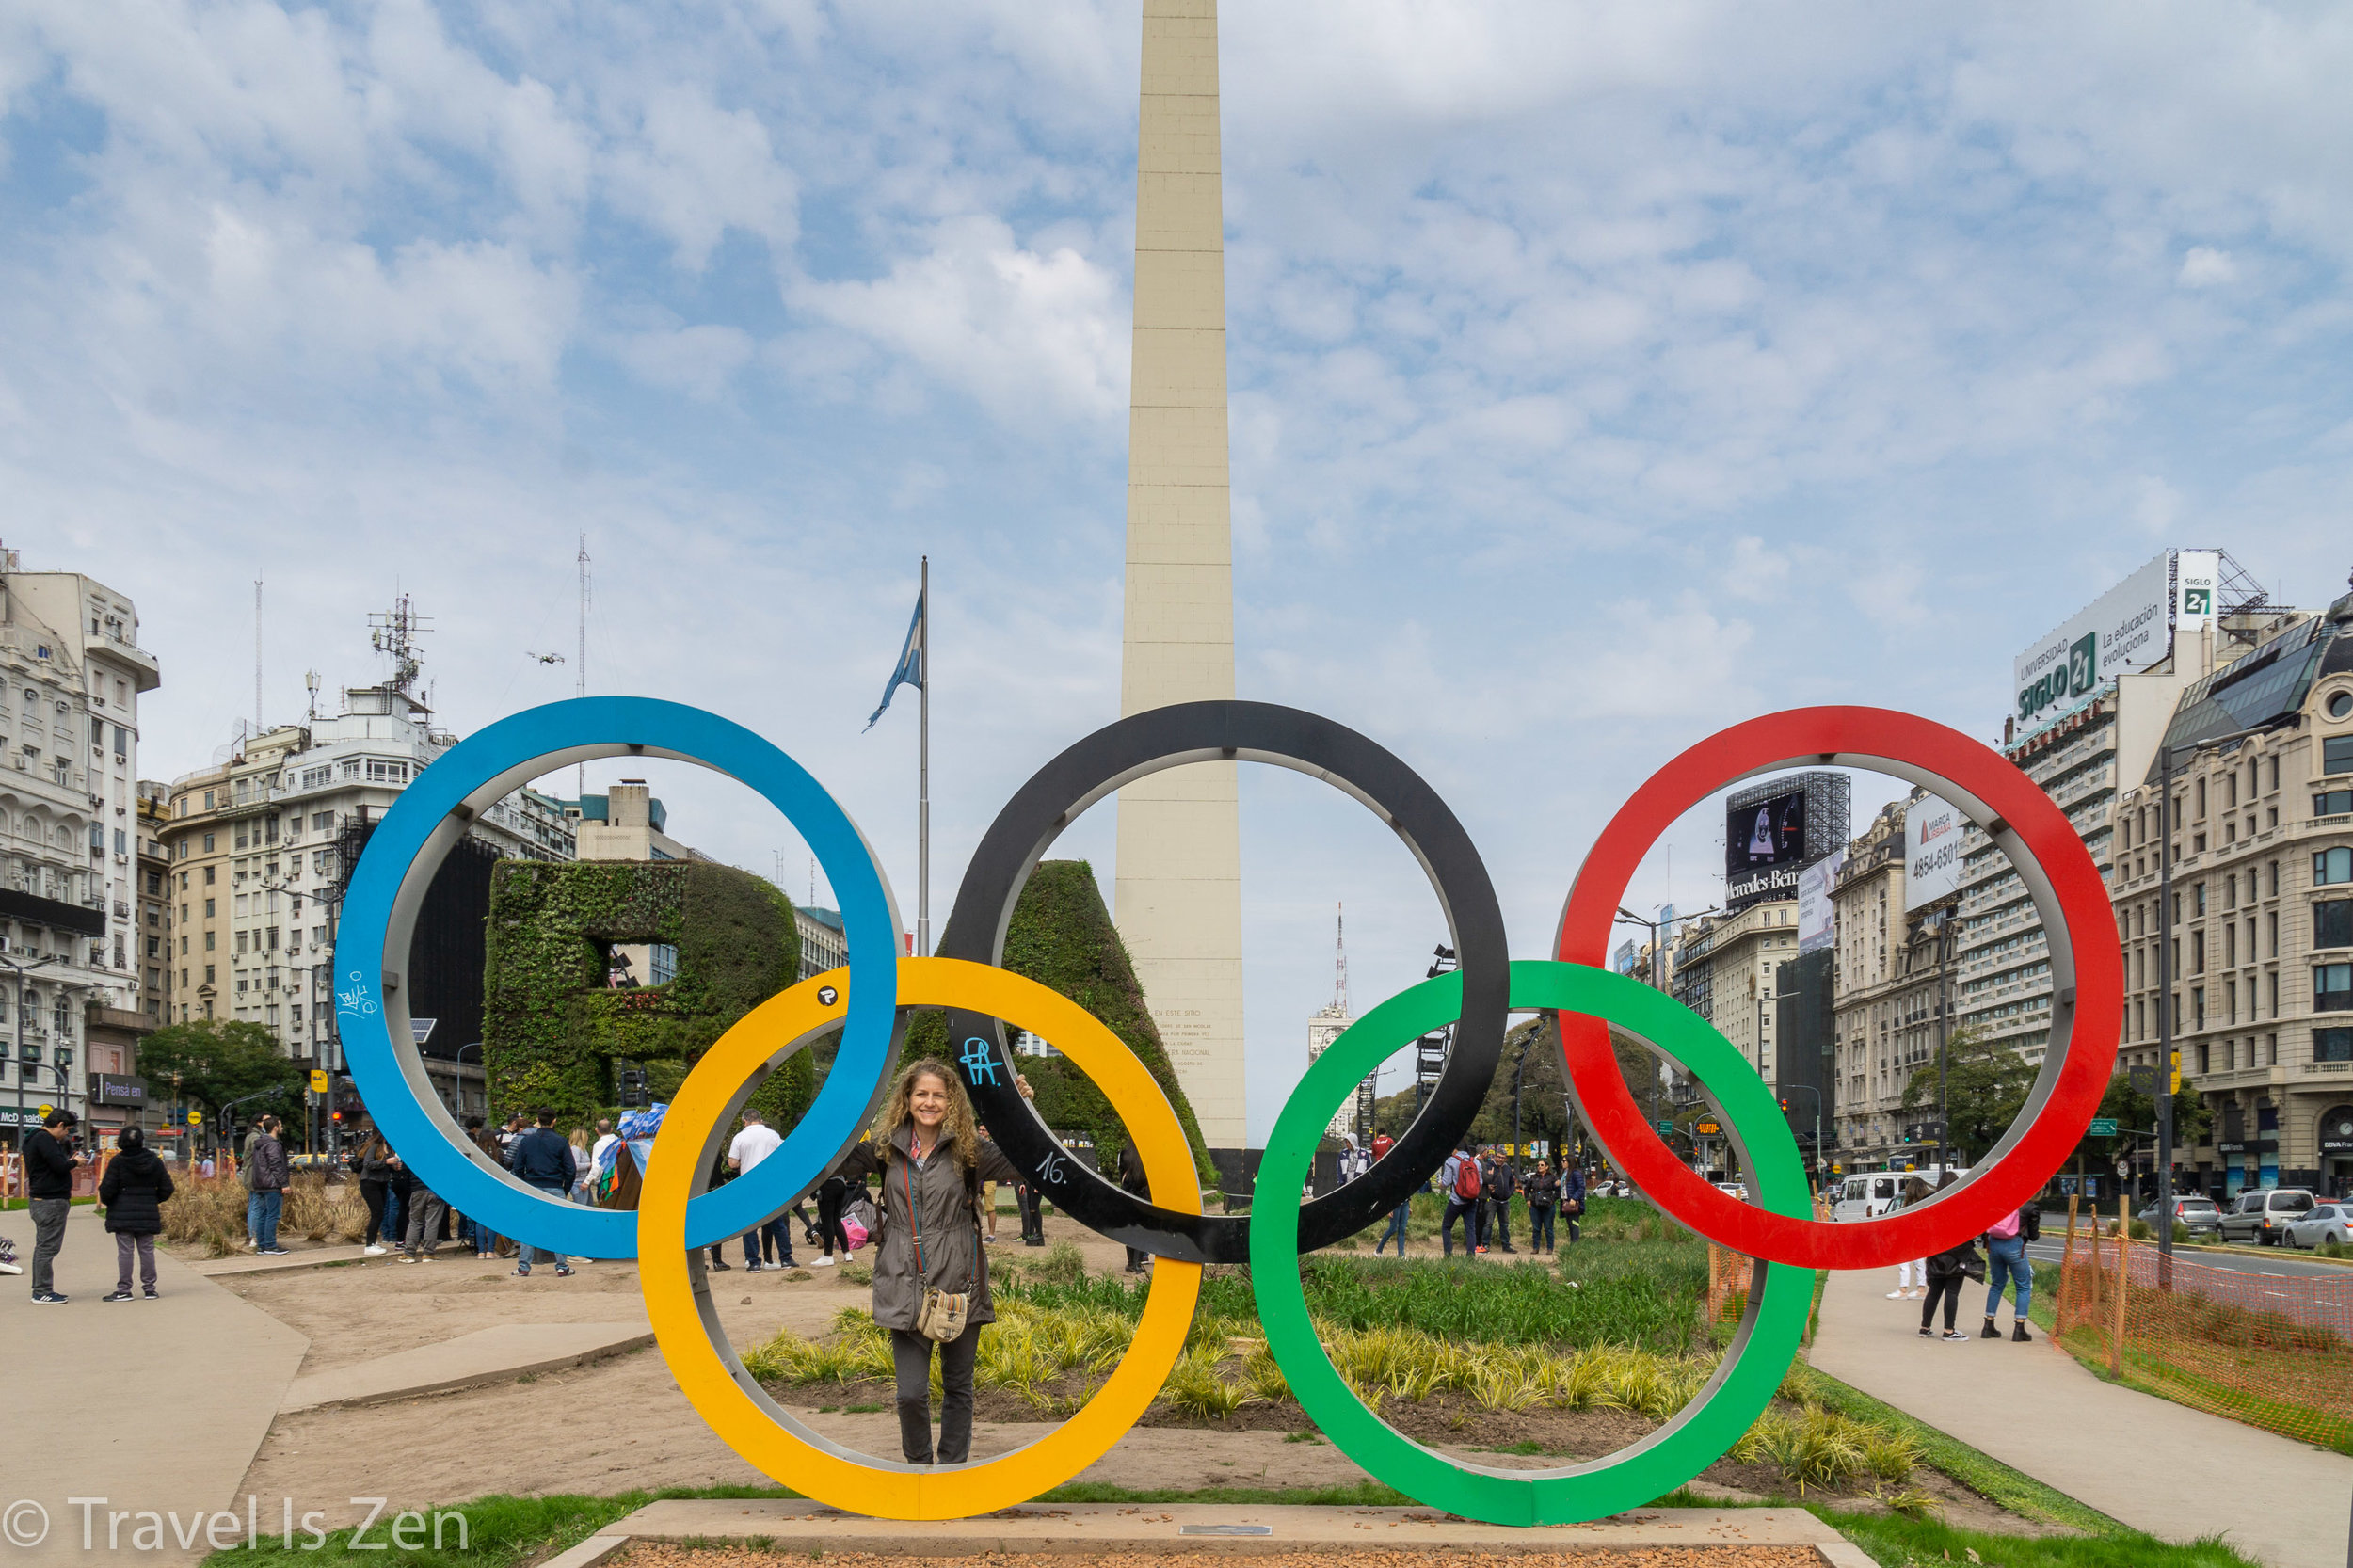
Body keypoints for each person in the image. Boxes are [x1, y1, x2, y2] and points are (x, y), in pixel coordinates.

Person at [832, 1058, 1020, 1465]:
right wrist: (844, 1099)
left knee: (958, 1387)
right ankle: (919, 1468)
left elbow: (1023, 1157)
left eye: (939, 1094)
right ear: (907, 1098)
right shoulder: (885, 1149)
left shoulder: (970, 1151)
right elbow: (832, 1157)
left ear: (951, 1101)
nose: (930, 1102)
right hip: (902, 1277)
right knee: (911, 1392)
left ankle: (952, 1471)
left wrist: (1017, 1109)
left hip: (958, 1277)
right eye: (922, 1093)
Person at [99, 1126, 175, 1301]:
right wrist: (152, 1199)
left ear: (122, 1141)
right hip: (147, 1212)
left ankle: (124, 1289)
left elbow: (107, 1190)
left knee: (125, 1251)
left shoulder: (118, 1161)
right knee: (147, 1250)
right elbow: (167, 1188)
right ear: (141, 1140)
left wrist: (112, 1201)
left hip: (122, 1212)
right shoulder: (154, 1161)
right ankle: (150, 1289)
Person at [507, 1108, 578, 1277]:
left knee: (529, 1227)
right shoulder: (560, 1141)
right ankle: (562, 1266)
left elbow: (517, 1167)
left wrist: (526, 1185)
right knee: (558, 1227)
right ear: (554, 1121)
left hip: (533, 1186)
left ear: (537, 1120)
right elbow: (570, 1169)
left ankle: (524, 1266)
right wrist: (564, 1188)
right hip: (554, 1187)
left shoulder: (526, 1141)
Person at [25, 1109, 87, 1303]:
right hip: (50, 1200)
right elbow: (59, 1166)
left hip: (41, 1200)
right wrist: (75, 1162)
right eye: (67, 1130)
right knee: (47, 1248)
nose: (67, 1134)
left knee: (44, 1246)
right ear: (59, 1125)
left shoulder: (33, 1137)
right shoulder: (45, 1140)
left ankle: (41, 1289)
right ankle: (41, 1291)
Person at [727, 1109, 795, 1272]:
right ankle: (786, 1258)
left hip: (749, 1185)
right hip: (771, 1184)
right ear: (761, 1119)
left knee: (750, 1225)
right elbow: (786, 1153)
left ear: (745, 1121)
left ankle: (754, 1262)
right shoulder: (772, 1135)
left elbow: (732, 1163)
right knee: (778, 1223)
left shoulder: (740, 1137)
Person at [1917, 1175, 1977, 1341]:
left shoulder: (1931, 1201)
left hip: (1935, 1254)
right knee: (1952, 1293)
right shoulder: (1962, 1202)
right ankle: (1949, 1330)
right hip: (1956, 1255)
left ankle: (1925, 1327)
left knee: (1934, 1292)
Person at [1980, 1201, 2035, 1342]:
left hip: (1994, 1244)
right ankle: (2019, 1328)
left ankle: (1988, 1324)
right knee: (2023, 1286)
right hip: (2014, 1245)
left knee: (1997, 1284)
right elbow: (2034, 1235)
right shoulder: (2029, 1206)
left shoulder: (1998, 1201)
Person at [246, 1115, 291, 1256]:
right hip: (272, 1184)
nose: (282, 1127)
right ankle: (271, 1246)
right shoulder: (273, 1144)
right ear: (275, 1127)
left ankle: (262, 1246)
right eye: (280, 1124)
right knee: (273, 1215)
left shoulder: (260, 1143)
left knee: (262, 1215)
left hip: (260, 1184)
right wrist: (284, 1183)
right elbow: (276, 1164)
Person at [355, 1128, 398, 1256]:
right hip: (370, 1182)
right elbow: (368, 1164)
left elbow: (385, 1167)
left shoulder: (387, 1148)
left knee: (380, 1213)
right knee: (377, 1213)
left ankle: (373, 1242)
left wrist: (393, 1167)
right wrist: (386, 1162)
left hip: (382, 1182)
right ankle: (369, 1245)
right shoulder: (374, 1147)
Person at [1887, 1177, 1929, 1300]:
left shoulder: (1910, 1204)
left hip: (1907, 1236)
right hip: (1920, 1237)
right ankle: (1921, 1290)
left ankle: (1903, 1290)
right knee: (1920, 1263)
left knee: (1904, 1263)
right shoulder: (1925, 1203)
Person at [1440, 1144, 1481, 1258]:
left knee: (1446, 1227)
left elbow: (1446, 1182)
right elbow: (1480, 1182)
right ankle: (1470, 1256)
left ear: (1455, 1149)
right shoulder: (1475, 1162)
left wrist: (1441, 1184)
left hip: (1457, 1200)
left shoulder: (1451, 1161)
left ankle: (1448, 1255)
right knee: (1470, 1228)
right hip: (1472, 1200)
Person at [1117, 1138, 1150, 1273]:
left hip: (1128, 1194)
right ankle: (1137, 1263)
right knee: (1143, 1230)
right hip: (1144, 1195)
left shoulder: (1124, 1154)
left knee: (1130, 1229)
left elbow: (1121, 1174)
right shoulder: (1148, 1155)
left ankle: (1131, 1263)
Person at [1485, 1153, 1517, 1254]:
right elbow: (1482, 1180)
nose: (1500, 1159)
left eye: (1503, 1158)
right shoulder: (1488, 1166)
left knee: (1504, 1224)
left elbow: (1512, 1182)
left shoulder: (1507, 1169)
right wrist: (1488, 1188)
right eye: (1499, 1157)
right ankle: (1485, 1244)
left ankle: (1506, 1245)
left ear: (1506, 1159)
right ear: (1495, 1157)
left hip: (1505, 1201)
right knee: (1488, 1223)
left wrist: (1510, 1192)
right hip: (1491, 1200)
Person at [1526, 1160, 1557, 1254]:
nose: (1539, 1167)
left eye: (1542, 1165)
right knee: (1536, 1228)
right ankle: (1536, 1247)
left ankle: (1550, 1248)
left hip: (1548, 1206)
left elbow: (1558, 1191)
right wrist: (1528, 1199)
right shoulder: (1533, 1178)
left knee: (1548, 1228)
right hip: (1535, 1206)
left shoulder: (1552, 1178)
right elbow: (1526, 1189)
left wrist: (1552, 1200)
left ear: (1547, 1167)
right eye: (1538, 1165)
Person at [1561, 1162, 1587, 1247]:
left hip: (1573, 1203)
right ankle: (1572, 1243)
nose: (1562, 1162)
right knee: (1570, 1224)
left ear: (1570, 1161)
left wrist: (1574, 1198)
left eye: (1564, 1161)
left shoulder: (1576, 1173)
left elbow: (1581, 1187)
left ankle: (1575, 1244)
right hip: (1566, 1202)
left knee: (1574, 1224)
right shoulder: (1565, 1173)